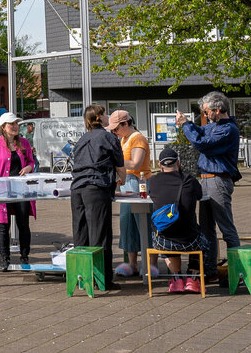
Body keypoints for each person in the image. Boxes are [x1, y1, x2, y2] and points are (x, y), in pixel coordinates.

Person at [177, 91, 241, 271]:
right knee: (206, 228)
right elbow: (200, 132)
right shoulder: (214, 126)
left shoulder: (227, 129)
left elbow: (202, 144)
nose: (205, 116)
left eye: (206, 112)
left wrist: (186, 125)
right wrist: (187, 123)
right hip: (206, 180)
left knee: (225, 226)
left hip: (218, 180)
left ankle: (238, 270)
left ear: (218, 110)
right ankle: (210, 268)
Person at [70, 104, 125, 289]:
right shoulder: (109, 137)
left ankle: (81, 278)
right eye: (105, 113)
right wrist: (122, 179)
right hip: (96, 187)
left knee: (81, 234)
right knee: (100, 235)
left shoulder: (81, 139)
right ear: (99, 118)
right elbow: (120, 165)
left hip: (77, 188)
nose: (108, 116)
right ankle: (102, 280)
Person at [148, 146, 209, 293]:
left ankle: (176, 279)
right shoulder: (190, 180)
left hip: (163, 242)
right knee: (203, 236)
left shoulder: (153, 182)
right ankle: (193, 278)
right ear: (178, 163)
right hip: (191, 241)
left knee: (164, 230)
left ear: (160, 165)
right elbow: (200, 196)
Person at [0, 111, 36, 271]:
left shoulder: (24, 143)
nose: (15, 127)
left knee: (23, 224)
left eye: (16, 124)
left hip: (21, 189)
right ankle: (4, 259)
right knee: (3, 225)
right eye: (11, 124)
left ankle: (24, 257)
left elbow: (31, 162)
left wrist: (29, 167)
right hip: (2, 189)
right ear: (3, 127)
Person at [108, 109, 152, 277]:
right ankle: (132, 264)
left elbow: (135, 163)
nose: (114, 132)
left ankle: (149, 265)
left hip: (139, 183)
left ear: (126, 123)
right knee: (127, 225)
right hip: (127, 183)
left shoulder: (138, 138)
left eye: (116, 128)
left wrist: (114, 161)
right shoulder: (125, 138)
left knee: (143, 224)